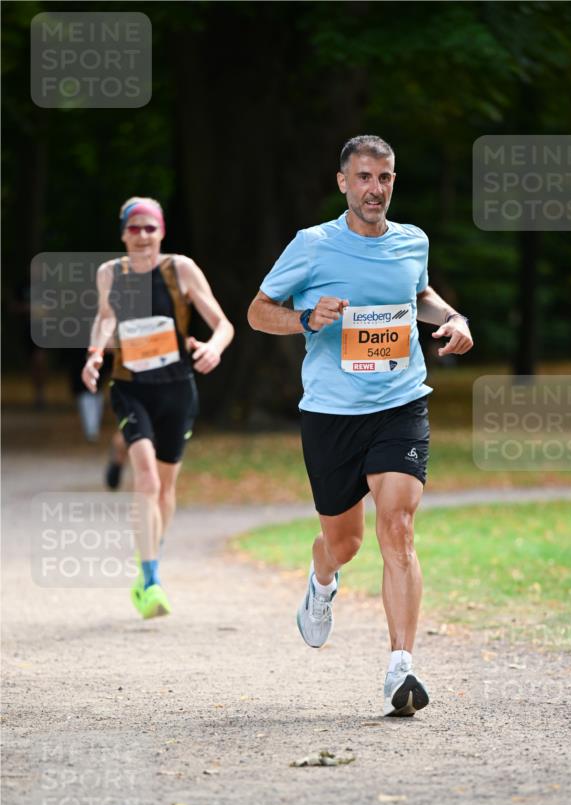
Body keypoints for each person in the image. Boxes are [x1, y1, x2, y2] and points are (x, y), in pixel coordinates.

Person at [248, 135, 473, 717]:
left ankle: (401, 667)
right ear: (344, 182)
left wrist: (453, 317)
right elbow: (256, 312)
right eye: (365, 178)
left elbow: (417, 293)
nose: (376, 189)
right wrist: (303, 317)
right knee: (344, 542)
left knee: (397, 526)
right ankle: (322, 579)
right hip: (331, 414)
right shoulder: (312, 246)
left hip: (400, 404)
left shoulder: (412, 241)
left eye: (386, 178)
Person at [82, 197, 234, 617]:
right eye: (135, 228)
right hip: (131, 388)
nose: (143, 236)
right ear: (123, 234)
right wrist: (96, 352)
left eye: (151, 228)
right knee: (146, 479)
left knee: (166, 488)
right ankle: (150, 581)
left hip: (177, 391)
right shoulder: (110, 273)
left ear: (162, 231)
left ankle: (150, 556)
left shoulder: (180, 269)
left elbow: (223, 324)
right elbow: (106, 317)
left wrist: (213, 348)